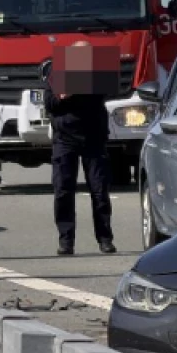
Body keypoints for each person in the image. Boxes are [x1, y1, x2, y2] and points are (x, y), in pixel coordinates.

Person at [42, 44, 116, 256]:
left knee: (100, 190)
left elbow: (110, 91)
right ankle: (66, 241)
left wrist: (84, 85)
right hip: (65, 139)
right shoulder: (57, 72)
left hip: (93, 138)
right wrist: (62, 96)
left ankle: (105, 239)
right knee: (63, 190)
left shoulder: (98, 73)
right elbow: (49, 103)